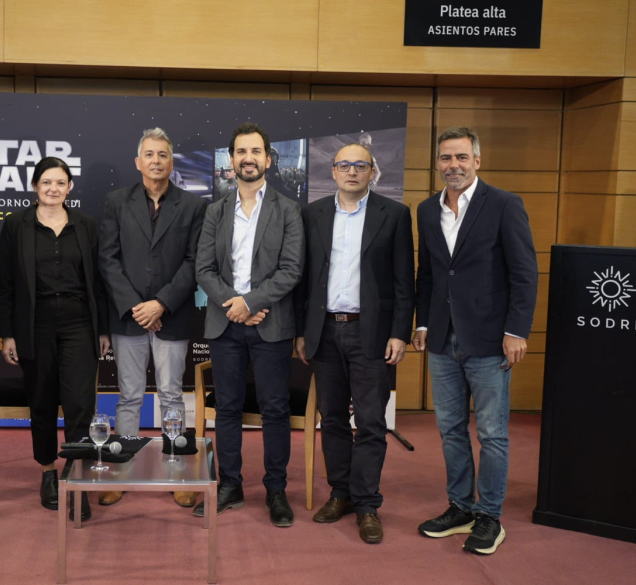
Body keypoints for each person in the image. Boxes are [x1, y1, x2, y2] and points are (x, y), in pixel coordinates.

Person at [412, 126, 538, 555]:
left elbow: (524, 272)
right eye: (446, 158)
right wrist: (424, 324)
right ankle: (461, 507)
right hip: (443, 339)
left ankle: (490, 516)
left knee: (491, 433)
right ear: (438, 164)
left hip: (489, 340)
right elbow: (428, 273)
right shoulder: (427, 210)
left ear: (477, 161)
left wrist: (516, 330)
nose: (453, 166)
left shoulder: (503, 205)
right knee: (449, 429)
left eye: (461, 157)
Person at [294, 143, 414, 544]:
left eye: (360, 165)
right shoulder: (312, 214)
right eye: (344, 165)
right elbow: (304, 278)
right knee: (331, 420)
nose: (351, 171)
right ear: (333, 171)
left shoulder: (394, 215)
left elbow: (404, 281)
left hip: (373, 334)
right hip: (324, 331)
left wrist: (399, 332)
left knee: (371, 423)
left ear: (372, 172)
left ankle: (367, 504)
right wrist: (301, 331)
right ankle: (340, 493)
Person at [193, 122, 304, 527]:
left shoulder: (289, 210)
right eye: (241, 152)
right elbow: (204, 268)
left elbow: (292, 270)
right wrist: (234, 305)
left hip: (271, 324)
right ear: (231, 160)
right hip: (226, 325)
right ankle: (230, 485)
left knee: (275, 410)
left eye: (256, 152)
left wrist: (252, 303)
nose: (248, 158)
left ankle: (276, 490)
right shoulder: (215, 211)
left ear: (268, 160)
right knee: (227, 408)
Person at [0, 157, 110, 520]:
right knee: (41, 403)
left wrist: (103, 328)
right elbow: (6, 283)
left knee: (80, 406)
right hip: (34, 325)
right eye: (46, 182)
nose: (53, 189)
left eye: (60, 182)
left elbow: (100, 283)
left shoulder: (86, 226)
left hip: (79, 325)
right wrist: (7, 333)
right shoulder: (16, 225)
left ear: (69, 187)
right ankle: (47, 472)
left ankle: (76, 477)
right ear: (34, 186)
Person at [97, 128, 207, 508]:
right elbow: (107, 259)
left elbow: (195, 262)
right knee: (128, 399)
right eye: (150, 154)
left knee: (172, 396)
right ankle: (120, 470)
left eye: (163, 154)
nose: (156, 160)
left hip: (172, 316)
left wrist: (160, 304)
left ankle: (177, 471)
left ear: (171, 162)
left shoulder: (193, 207)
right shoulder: (115, 202)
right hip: (127, 317)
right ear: (138, 161)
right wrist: (136, 307)